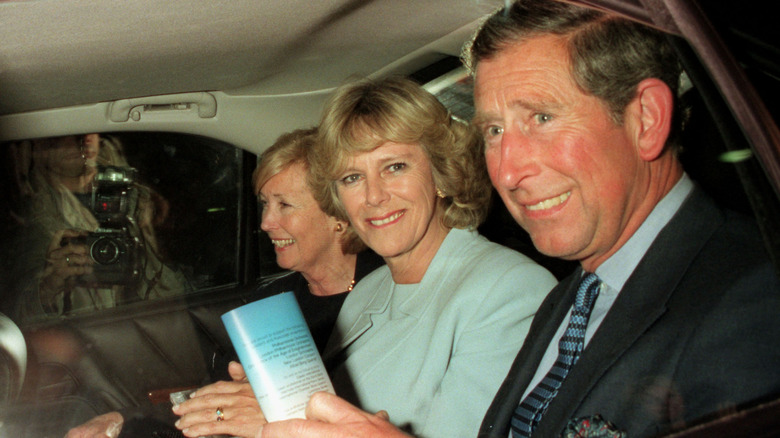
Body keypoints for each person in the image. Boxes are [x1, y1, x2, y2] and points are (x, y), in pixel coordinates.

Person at [255, 1, 780, 437]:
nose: (507, 171)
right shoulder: (574, 296)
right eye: (494, 131)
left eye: (542, 118)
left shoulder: (754, 303)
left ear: (645, 120)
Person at [205, 76, 556, 438]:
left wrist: (277, 425)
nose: (373, 196)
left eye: (395, 167)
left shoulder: (511, 290)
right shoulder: (368, 291)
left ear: (440, 173)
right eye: (352, 177)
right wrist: (277, 400)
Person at [67, 128, 384, 438]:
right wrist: (124, 419)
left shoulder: (388, 294)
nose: (265, 223)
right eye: (264, 204)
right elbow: (215, 400)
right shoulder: (272, 300)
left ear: (338, 215)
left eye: (284, 205)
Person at [8, 134, 186, 321]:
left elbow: (174, 286)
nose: (72, 143)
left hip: (147, 322)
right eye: (55, 139)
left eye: (78, 135)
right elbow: (15, 315)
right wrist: (47, 287)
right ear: (35, 148)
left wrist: (154, 236)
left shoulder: (130, 195)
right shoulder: (29, 224)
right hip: (88, 336)